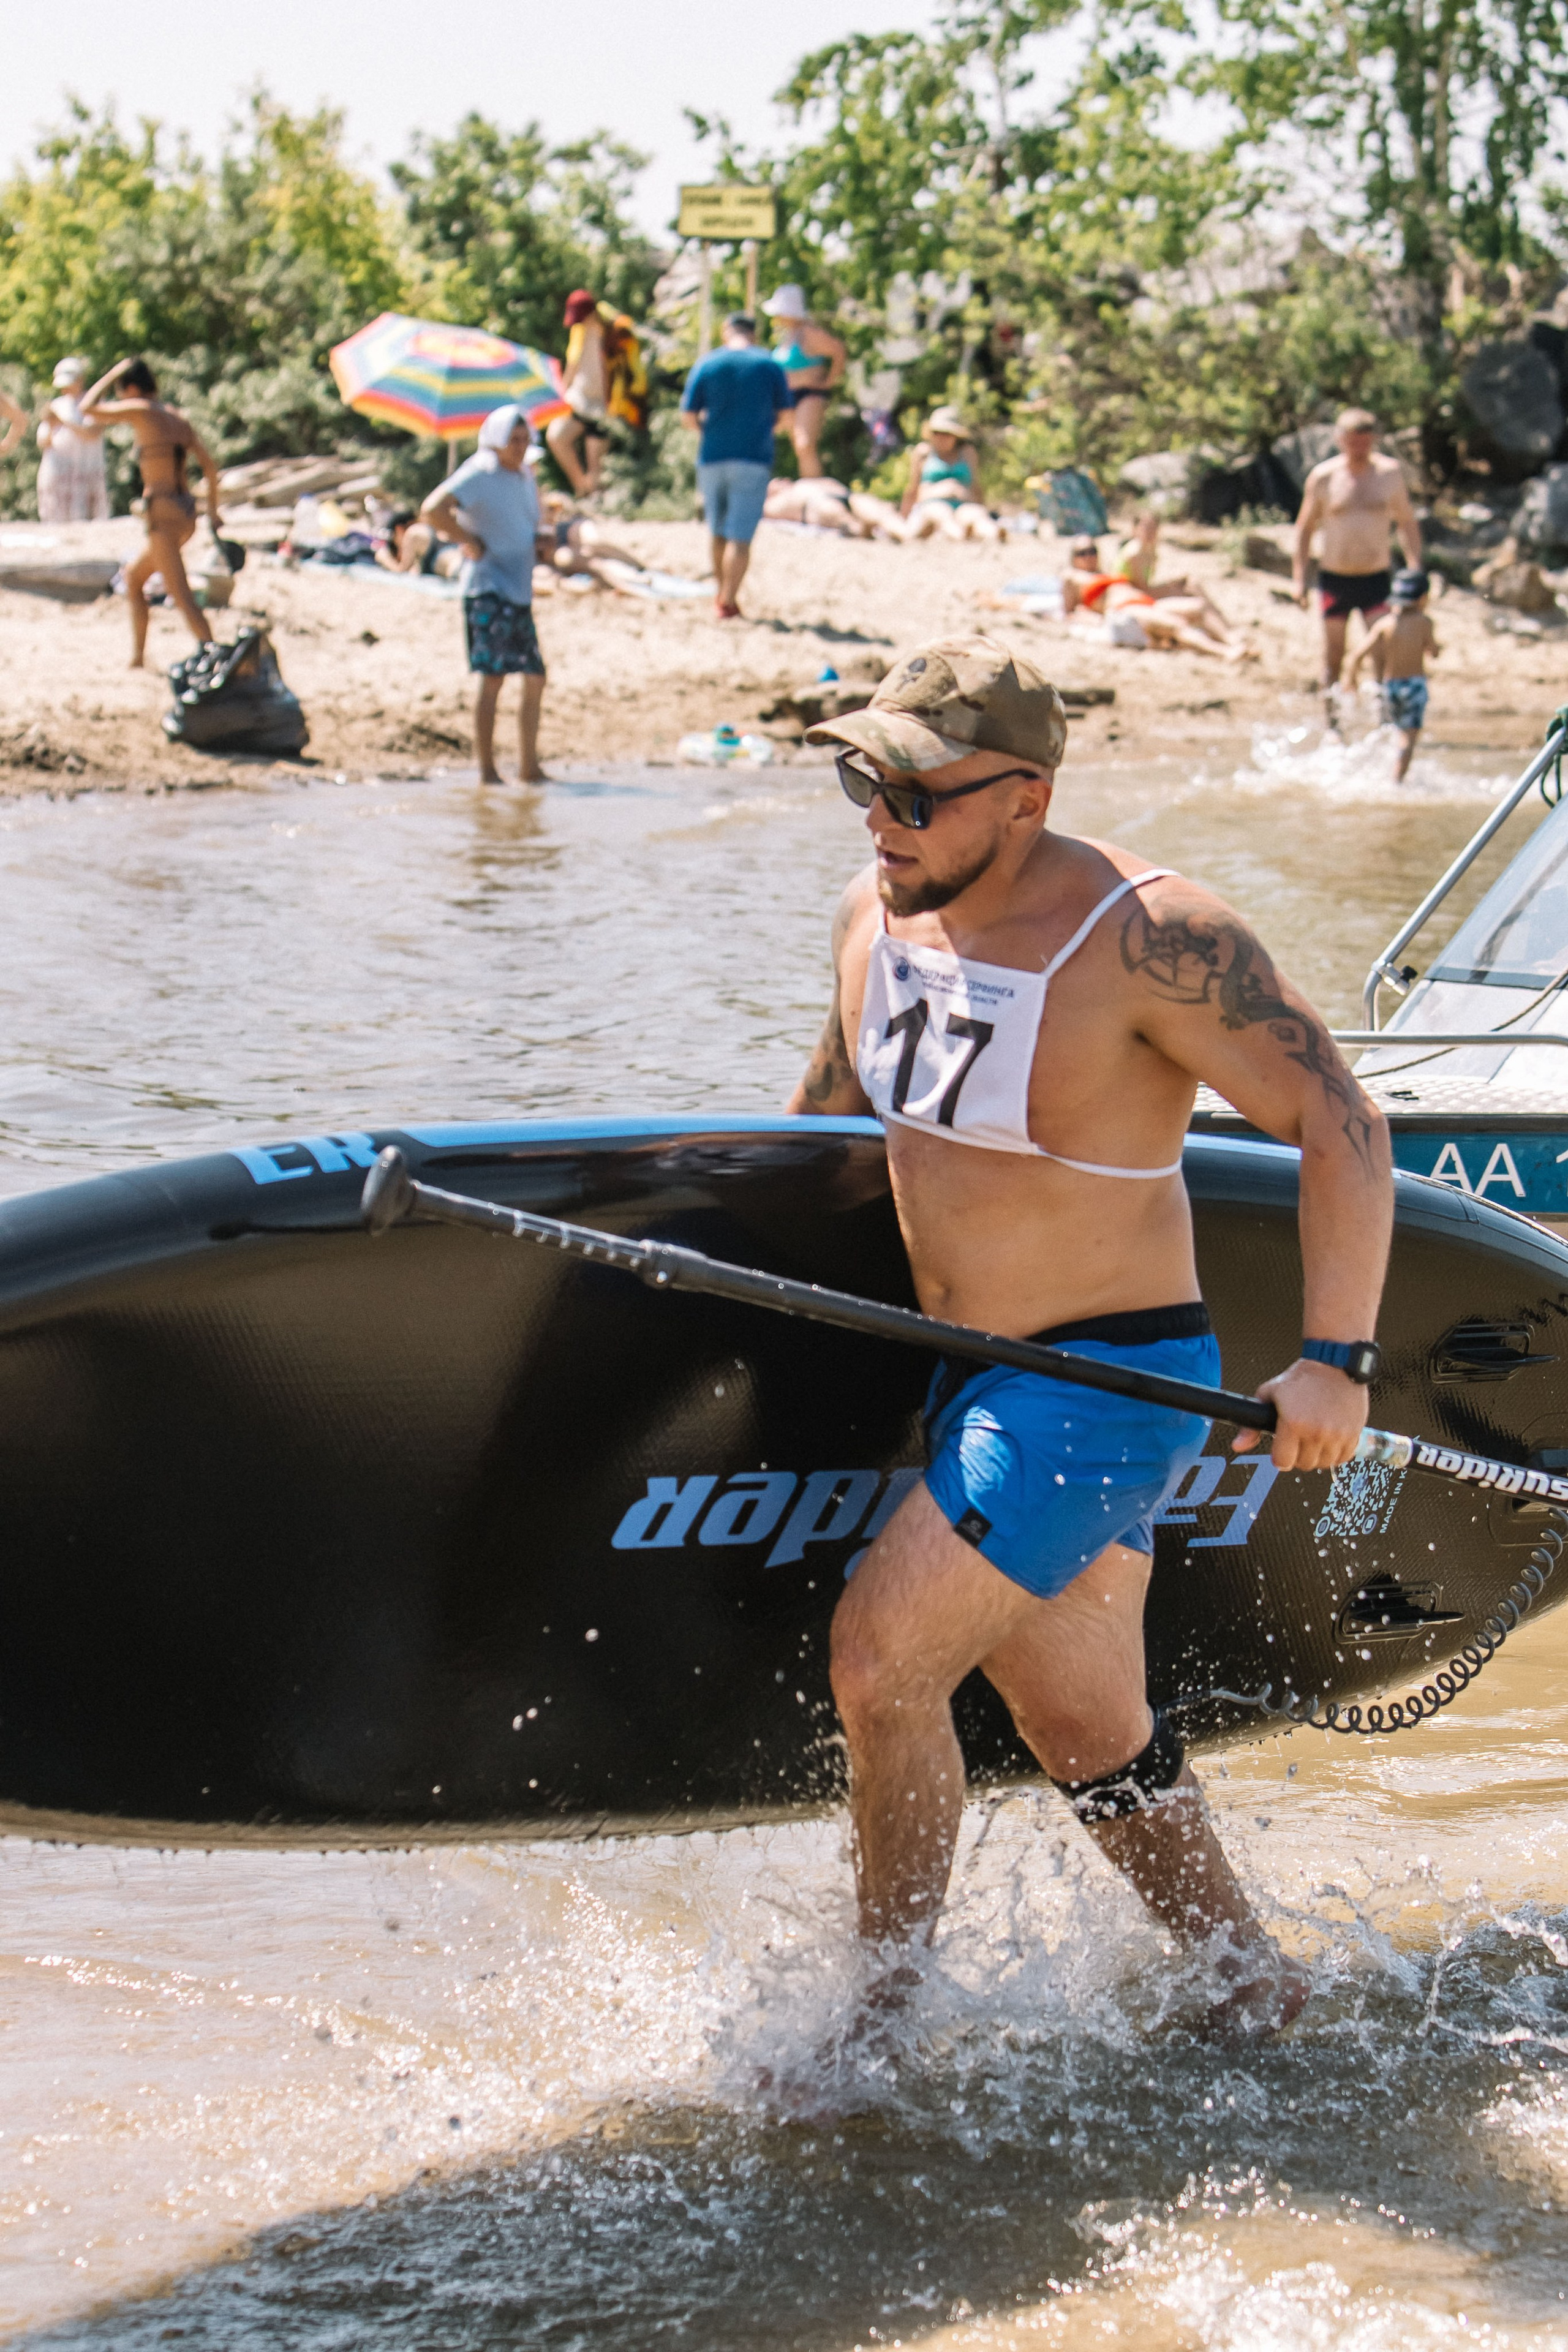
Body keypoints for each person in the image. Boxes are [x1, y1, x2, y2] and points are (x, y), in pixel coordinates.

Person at [788, 635, 1392, 2039]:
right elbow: (819, 1126)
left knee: (882, 1663)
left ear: (1022, 796)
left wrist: (1335, 1358)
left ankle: (874, 2032)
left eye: (912, 792)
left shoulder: (1149, 937)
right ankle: (1253, 1984)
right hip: (953, 1367)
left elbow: (1339, 1124)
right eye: (857, 780)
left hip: (1104, 1377)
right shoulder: (868, 917)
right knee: (1080, 1725)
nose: (879, 815)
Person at [422, 404, 547, 786]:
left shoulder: (525, 475)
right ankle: (488, 771)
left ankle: (528, 767)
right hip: (487, 586)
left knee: (535, 676)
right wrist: (467, 540)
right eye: (514, 440)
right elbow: (433, 510)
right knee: (493, 678)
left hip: (519, 588)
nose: (521, 447)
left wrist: (540, 541)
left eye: (526, 440)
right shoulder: (481, 471)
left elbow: (522, 523)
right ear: (496, 440)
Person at [78, 357, 221, 668]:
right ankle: (139, 658)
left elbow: (87, 408)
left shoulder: (142, 410)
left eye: (121, 392)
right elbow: (210, 468)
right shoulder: (177, 418)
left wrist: (113, 371)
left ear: (131, 388)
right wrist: (213, 511)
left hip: (163, 515)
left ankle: (214, 655)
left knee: (180, 592)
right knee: (135, 577)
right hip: (186, 515)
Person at [1292, 409, 1422, 706]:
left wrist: (1416, 570)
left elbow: (1407, 522)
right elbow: (1305, 529)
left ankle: (1384, 719)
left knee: (1382, 649)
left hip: (1376, 577)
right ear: (1340, 440)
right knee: (1334, 653)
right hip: (1335, 578)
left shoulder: (1389, 474)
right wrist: (1299, 579)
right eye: (1353, 442)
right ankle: (1332, 725)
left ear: (1374, 440)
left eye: (1365, 442)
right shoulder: (1324, 477)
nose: (1359, 449)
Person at [680, 314, 794, 619]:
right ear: (754, 335)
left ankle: (721, 594)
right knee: (740, 536)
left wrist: (711, 429)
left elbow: (688, 417)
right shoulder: (769, 365)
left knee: (718, 532)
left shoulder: (707, 363)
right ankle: (728, 600)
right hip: (753, 459)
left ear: (725, 332)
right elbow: (786, 418)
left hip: (712, 457)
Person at [1061, 538, 1255, 661]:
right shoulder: (1073, 577)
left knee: (1198, 607)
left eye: (1093, 551)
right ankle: (1224, 652)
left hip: (1145, 603)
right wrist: (1091, 619)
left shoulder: (1105, 573)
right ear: (1073, 558)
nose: (1089, 557)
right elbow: (1069, 612)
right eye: (1082, 553)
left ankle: (1231, 640)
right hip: (1123, 608)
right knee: (1176, 624)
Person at [545, 290, 647, 500]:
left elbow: (632, 370)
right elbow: (573, 364)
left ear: (592, 313)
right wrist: (560, 394)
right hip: (579, 399)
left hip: (605, 406)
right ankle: (581, 488)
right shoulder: (579, 330)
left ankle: (593, 500)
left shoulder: (618, 332)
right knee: (556, 436)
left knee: (596, 465)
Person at [1347, 568, 1438, 780]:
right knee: (1409, 738)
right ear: (1423, 598)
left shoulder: (1384, 624)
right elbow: (1433, 652)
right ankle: (1397, 780)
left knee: (1394, 731)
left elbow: (1356, 656)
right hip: (1414, 686)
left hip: (1390, 687)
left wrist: (1351, 679)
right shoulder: (1424, 623)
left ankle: (1385, 773)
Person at [761, 284, 846, 480]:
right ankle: (805, 487)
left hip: (810, 394)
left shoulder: (809, 333)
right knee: (796, 448)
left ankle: (814, 490)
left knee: (805, 445)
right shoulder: (787, 335)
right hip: (789, 397)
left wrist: (829, 381)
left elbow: (838, 350)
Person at [899, 410, 1003, 541]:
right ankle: (958, 534)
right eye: (937, 433)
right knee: (940, 512)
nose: (941, 437)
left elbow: (976, 486)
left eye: (947, 434)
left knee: (975, 515)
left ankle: (995, 534)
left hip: (963, 503)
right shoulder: (923, 453)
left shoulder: (967, 453)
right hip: (931, 503)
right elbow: (913, 489)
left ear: (956, 436)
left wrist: (976, 502)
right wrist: (904, 517)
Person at [35, 358, 108, 521]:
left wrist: (64, 422)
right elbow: (43, 442)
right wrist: (52, 424)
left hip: (86, 472)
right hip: (59, 474)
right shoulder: (56, 405)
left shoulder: (94, 403)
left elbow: (93, 433)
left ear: (80, 380)